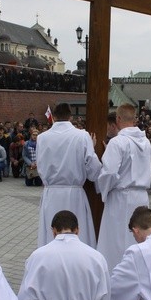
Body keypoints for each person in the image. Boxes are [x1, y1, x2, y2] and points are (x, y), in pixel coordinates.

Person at [36, 103, 102, 248]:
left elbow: (39, 165)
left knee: (50, 236)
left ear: (53, 116)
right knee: (77, 235)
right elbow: (94, 171)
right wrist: (93, 148)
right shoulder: (82, 136)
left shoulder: (42, 138)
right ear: (70, 117)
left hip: (51, 193)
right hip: (74, 195)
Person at [97, 103, 151, 271]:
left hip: (121, 198)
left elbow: (109, 173)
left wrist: (103, 190)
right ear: (134, 119)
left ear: (118, 119)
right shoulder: (146, 142)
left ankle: (117, 278)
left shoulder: (118, 142)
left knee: (117, 242)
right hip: (141, 197)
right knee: (140, 239)